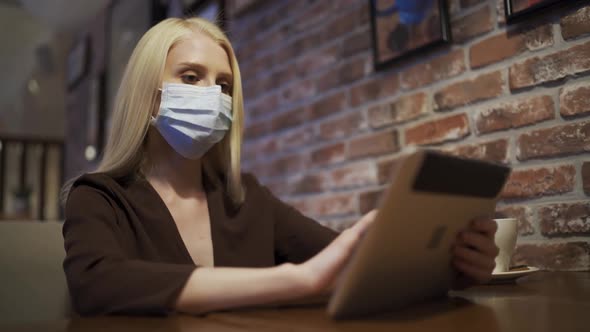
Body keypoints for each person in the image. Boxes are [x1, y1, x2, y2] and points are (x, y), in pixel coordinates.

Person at [62, 17, 499, 316]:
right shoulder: (99, 196)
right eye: (191, 77)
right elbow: (98, 283)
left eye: (225, 85)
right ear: (148, 92)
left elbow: (343, 263)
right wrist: (296, 281)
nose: (214, 96)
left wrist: (451, 266)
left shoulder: (246, 196)